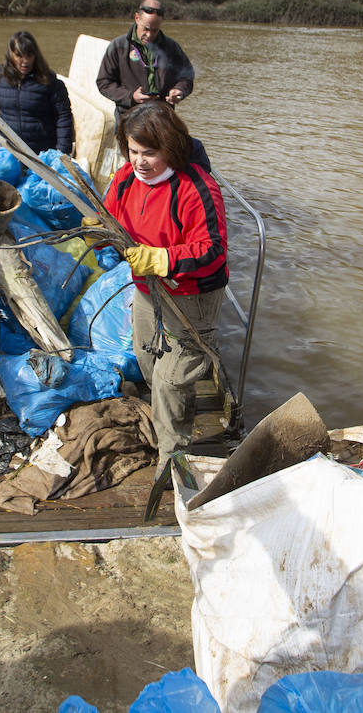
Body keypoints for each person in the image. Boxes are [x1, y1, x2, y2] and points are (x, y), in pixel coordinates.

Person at [102, 103, 227, 473]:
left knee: (171, 379)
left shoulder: (197, 187)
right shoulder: (125, 179)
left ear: (170, 148)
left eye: (150, 153)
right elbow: (110, 220)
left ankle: (172, 459)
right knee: (147, 359)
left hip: (192, 295)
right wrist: (98, 232)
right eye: (134, 151)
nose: (140, 161)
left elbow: (213, 250)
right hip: (146, 289)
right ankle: (167, 418)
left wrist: (163, 259)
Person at [95, 0, 209, 172]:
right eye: (146, 29)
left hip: (162, 119)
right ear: (137, 18)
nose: (149, 35)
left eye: (155, 30)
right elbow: (104, 82)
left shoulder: (171, 48)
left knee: (165, 164)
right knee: (134, 164)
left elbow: (187, 77)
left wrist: (179, 90)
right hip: (129, 119)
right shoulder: (118, 47)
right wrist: (130, 96)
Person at [0, 30, 74, 155]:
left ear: (35, 56)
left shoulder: (49, 81)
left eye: (29, 56)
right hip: (8, 150)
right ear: (11, 55)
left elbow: (63, 117)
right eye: (19, 56)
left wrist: (62, 152)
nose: (25, 61)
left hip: (41, 152)